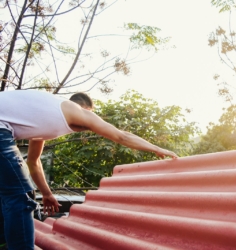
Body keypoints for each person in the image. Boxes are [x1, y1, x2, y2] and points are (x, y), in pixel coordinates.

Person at [0, 90, 178, 250]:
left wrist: (47, 194)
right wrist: (156, 148)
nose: (86, 127)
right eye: (90, 114)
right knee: (20, 198)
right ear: (85, 108)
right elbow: (121, 135)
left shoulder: (39, 119)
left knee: (9, 194)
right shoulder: (75, 110)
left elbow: (34, 161)